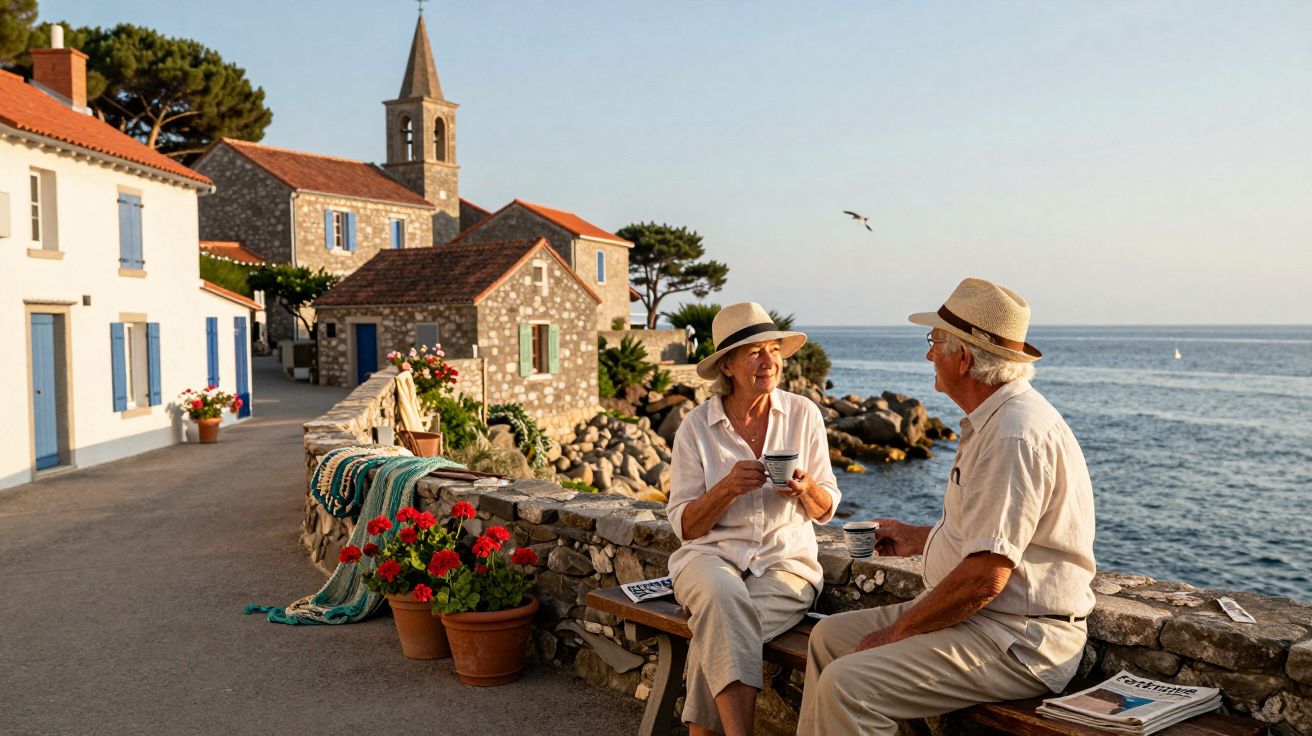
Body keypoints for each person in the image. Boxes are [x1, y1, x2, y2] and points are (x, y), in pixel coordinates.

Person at [797, 278, 1097, 736]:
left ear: (964, 359)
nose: (927, 355)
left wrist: (896, 634)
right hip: (986, 622)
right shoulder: (995, 421)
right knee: (827, 638)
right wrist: (920, 539)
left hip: (1020, 641)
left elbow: (985, 575)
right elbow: (988, 539)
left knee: (849, 683)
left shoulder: (1012, 435)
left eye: (934, 342)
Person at [667, 302, 842, 736]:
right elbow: (686, 528)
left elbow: (827, 507)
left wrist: (806, 490)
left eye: (774, 350)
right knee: (722, 599)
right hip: (709, 558)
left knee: (718, 633)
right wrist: (725, 489)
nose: (769, 362)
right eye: (753, 352)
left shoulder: (804, 415)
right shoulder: (695, 426)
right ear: (726, 365)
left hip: (787, 568)